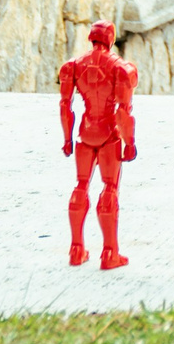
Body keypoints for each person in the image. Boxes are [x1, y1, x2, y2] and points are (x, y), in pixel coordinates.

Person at [58, 19, 138, 269]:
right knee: (109, 188)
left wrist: (67, 139)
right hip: (108, 133)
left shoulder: (72, 66)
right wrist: (129, 143)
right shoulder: (121, 69)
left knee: (81, 185)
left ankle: (76, 249)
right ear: (111, 39)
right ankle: (109, 252)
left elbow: (65, 106)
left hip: (85, 131)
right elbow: (123, 113)